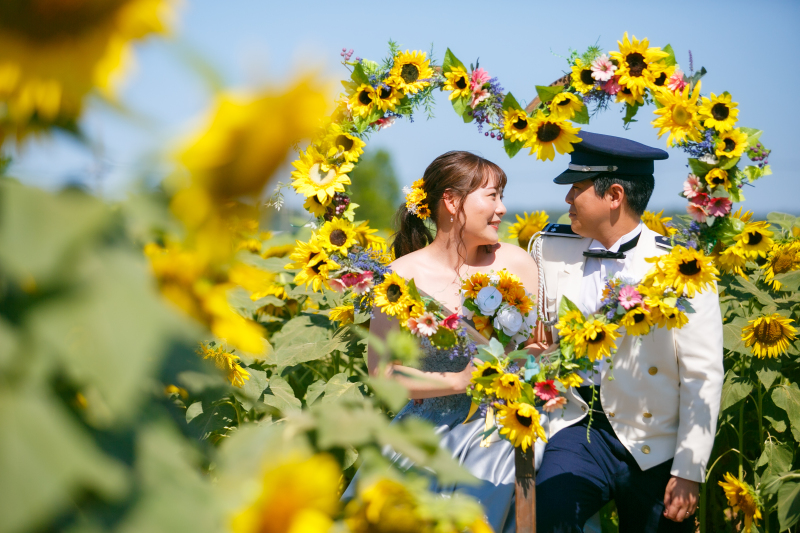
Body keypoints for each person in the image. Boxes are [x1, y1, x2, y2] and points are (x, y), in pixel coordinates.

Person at [532, 131, 724, 532]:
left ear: (614, 195)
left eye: (577, 188)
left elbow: (702, 375)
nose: (567, 199)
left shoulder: (683, 268)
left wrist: (689, 469)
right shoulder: (548, 249)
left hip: (654, 440)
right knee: (548, 516)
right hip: (576, 426)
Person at [350, 150, 546, 533]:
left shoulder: (518, 263)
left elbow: (536, 349)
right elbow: (381, 373)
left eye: (502, 196)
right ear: (452, 202)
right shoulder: (399, 277)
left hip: (505, 428)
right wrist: (456, 381)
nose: (502, 209)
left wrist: (530, 362)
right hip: (428, 430)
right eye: (492, 196)